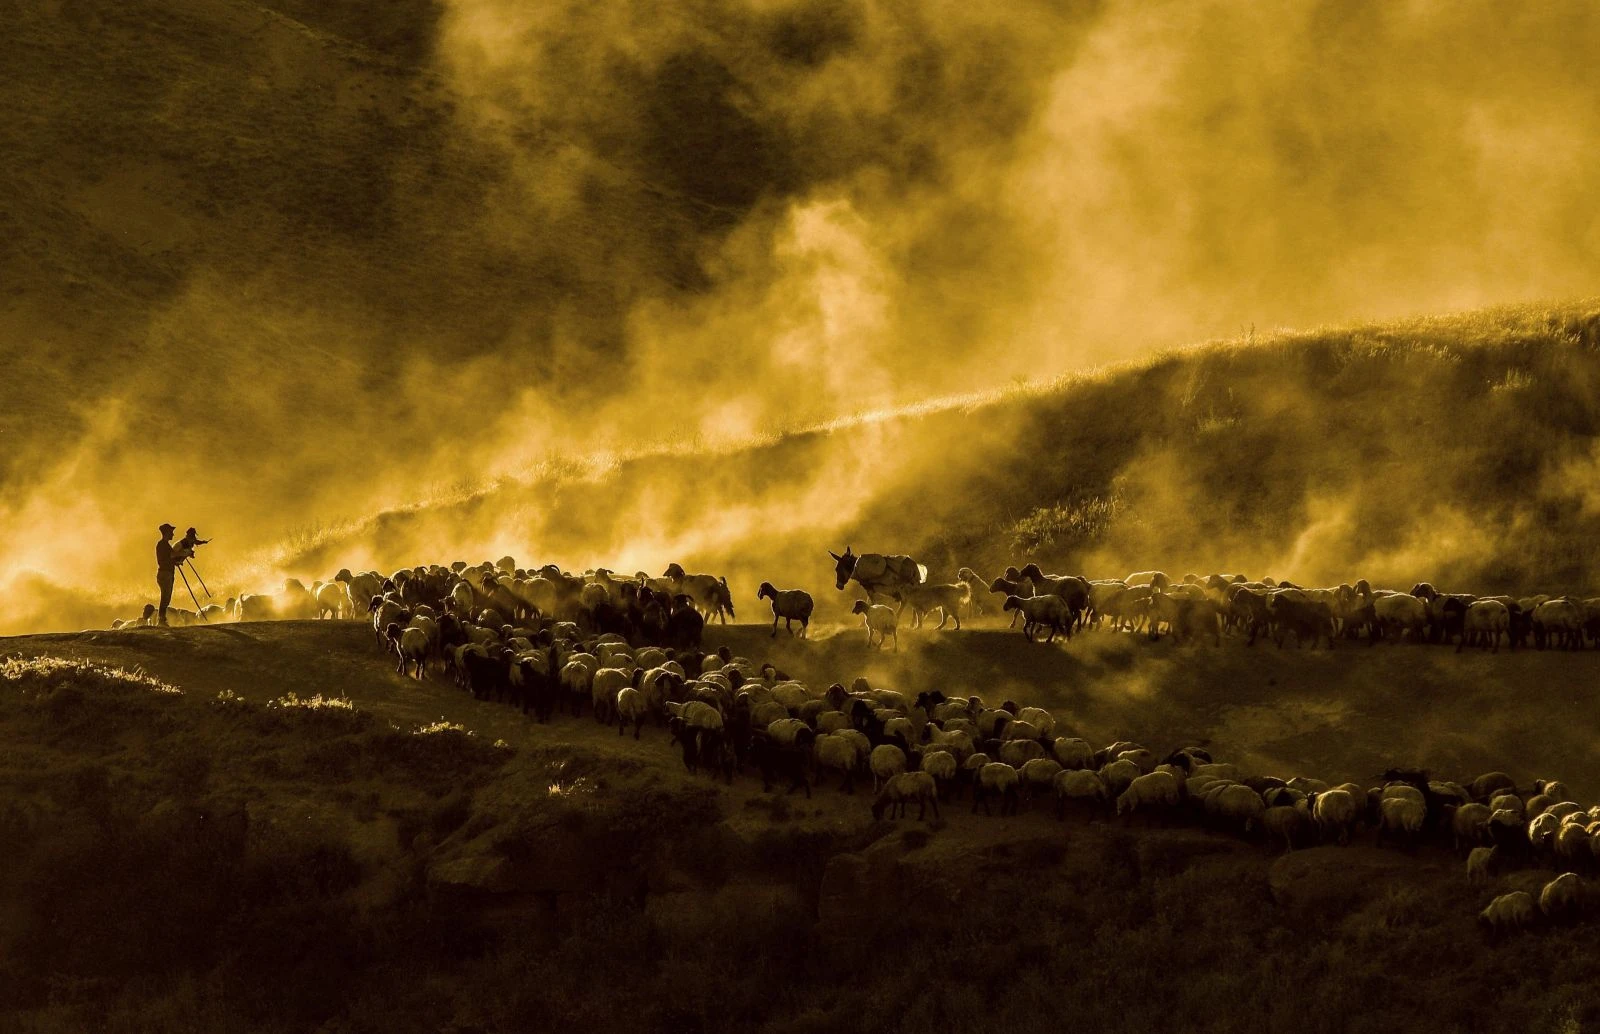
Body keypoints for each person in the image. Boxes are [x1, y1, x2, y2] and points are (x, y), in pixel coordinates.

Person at [155, 523, 179, 626]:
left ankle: (162, 619)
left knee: (166, 597)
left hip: (166, 573)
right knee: (165, 598)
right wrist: (174, 560)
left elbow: (170, 558)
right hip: (165, 574)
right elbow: (164, 560)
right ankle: (161, 620)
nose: (173, 534)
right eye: (171, 532)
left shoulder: (165, 545)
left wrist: (175, 561)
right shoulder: (162, 545)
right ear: (166, 533)